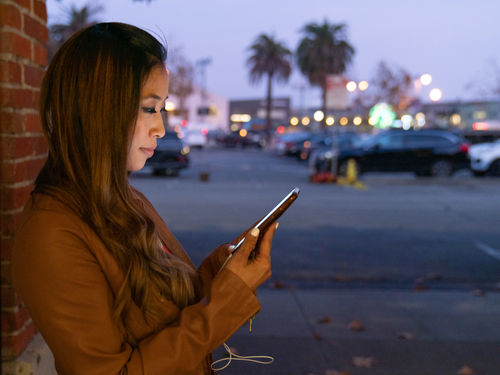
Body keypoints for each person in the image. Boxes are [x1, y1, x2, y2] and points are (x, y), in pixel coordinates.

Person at [12, 22, 277, 375]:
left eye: (163, 109)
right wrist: (223, 306)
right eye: (150, 109)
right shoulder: (51, 234)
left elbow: (158, 312)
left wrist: (220, 276)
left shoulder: (126, 199)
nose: (161, 129)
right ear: (99, 109)